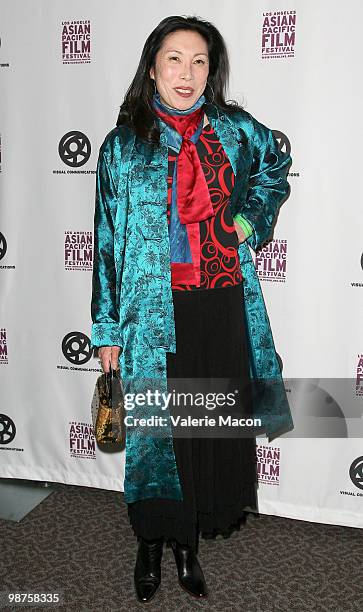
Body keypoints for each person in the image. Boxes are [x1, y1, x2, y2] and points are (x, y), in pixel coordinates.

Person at [90, 15, 294, 603]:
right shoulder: (122, 146)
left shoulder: (233, 131)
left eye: (200, 61)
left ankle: (189, 547)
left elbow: (275, 164)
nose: (187, 73)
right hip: (154, 312)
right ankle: (152, 544)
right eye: (174, 59)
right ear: (152, 66)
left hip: (221, 305)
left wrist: (251, 219)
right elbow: (105, 244)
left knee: (204, 431)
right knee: (160, 436)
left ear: (212, 70)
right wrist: (107, 328)